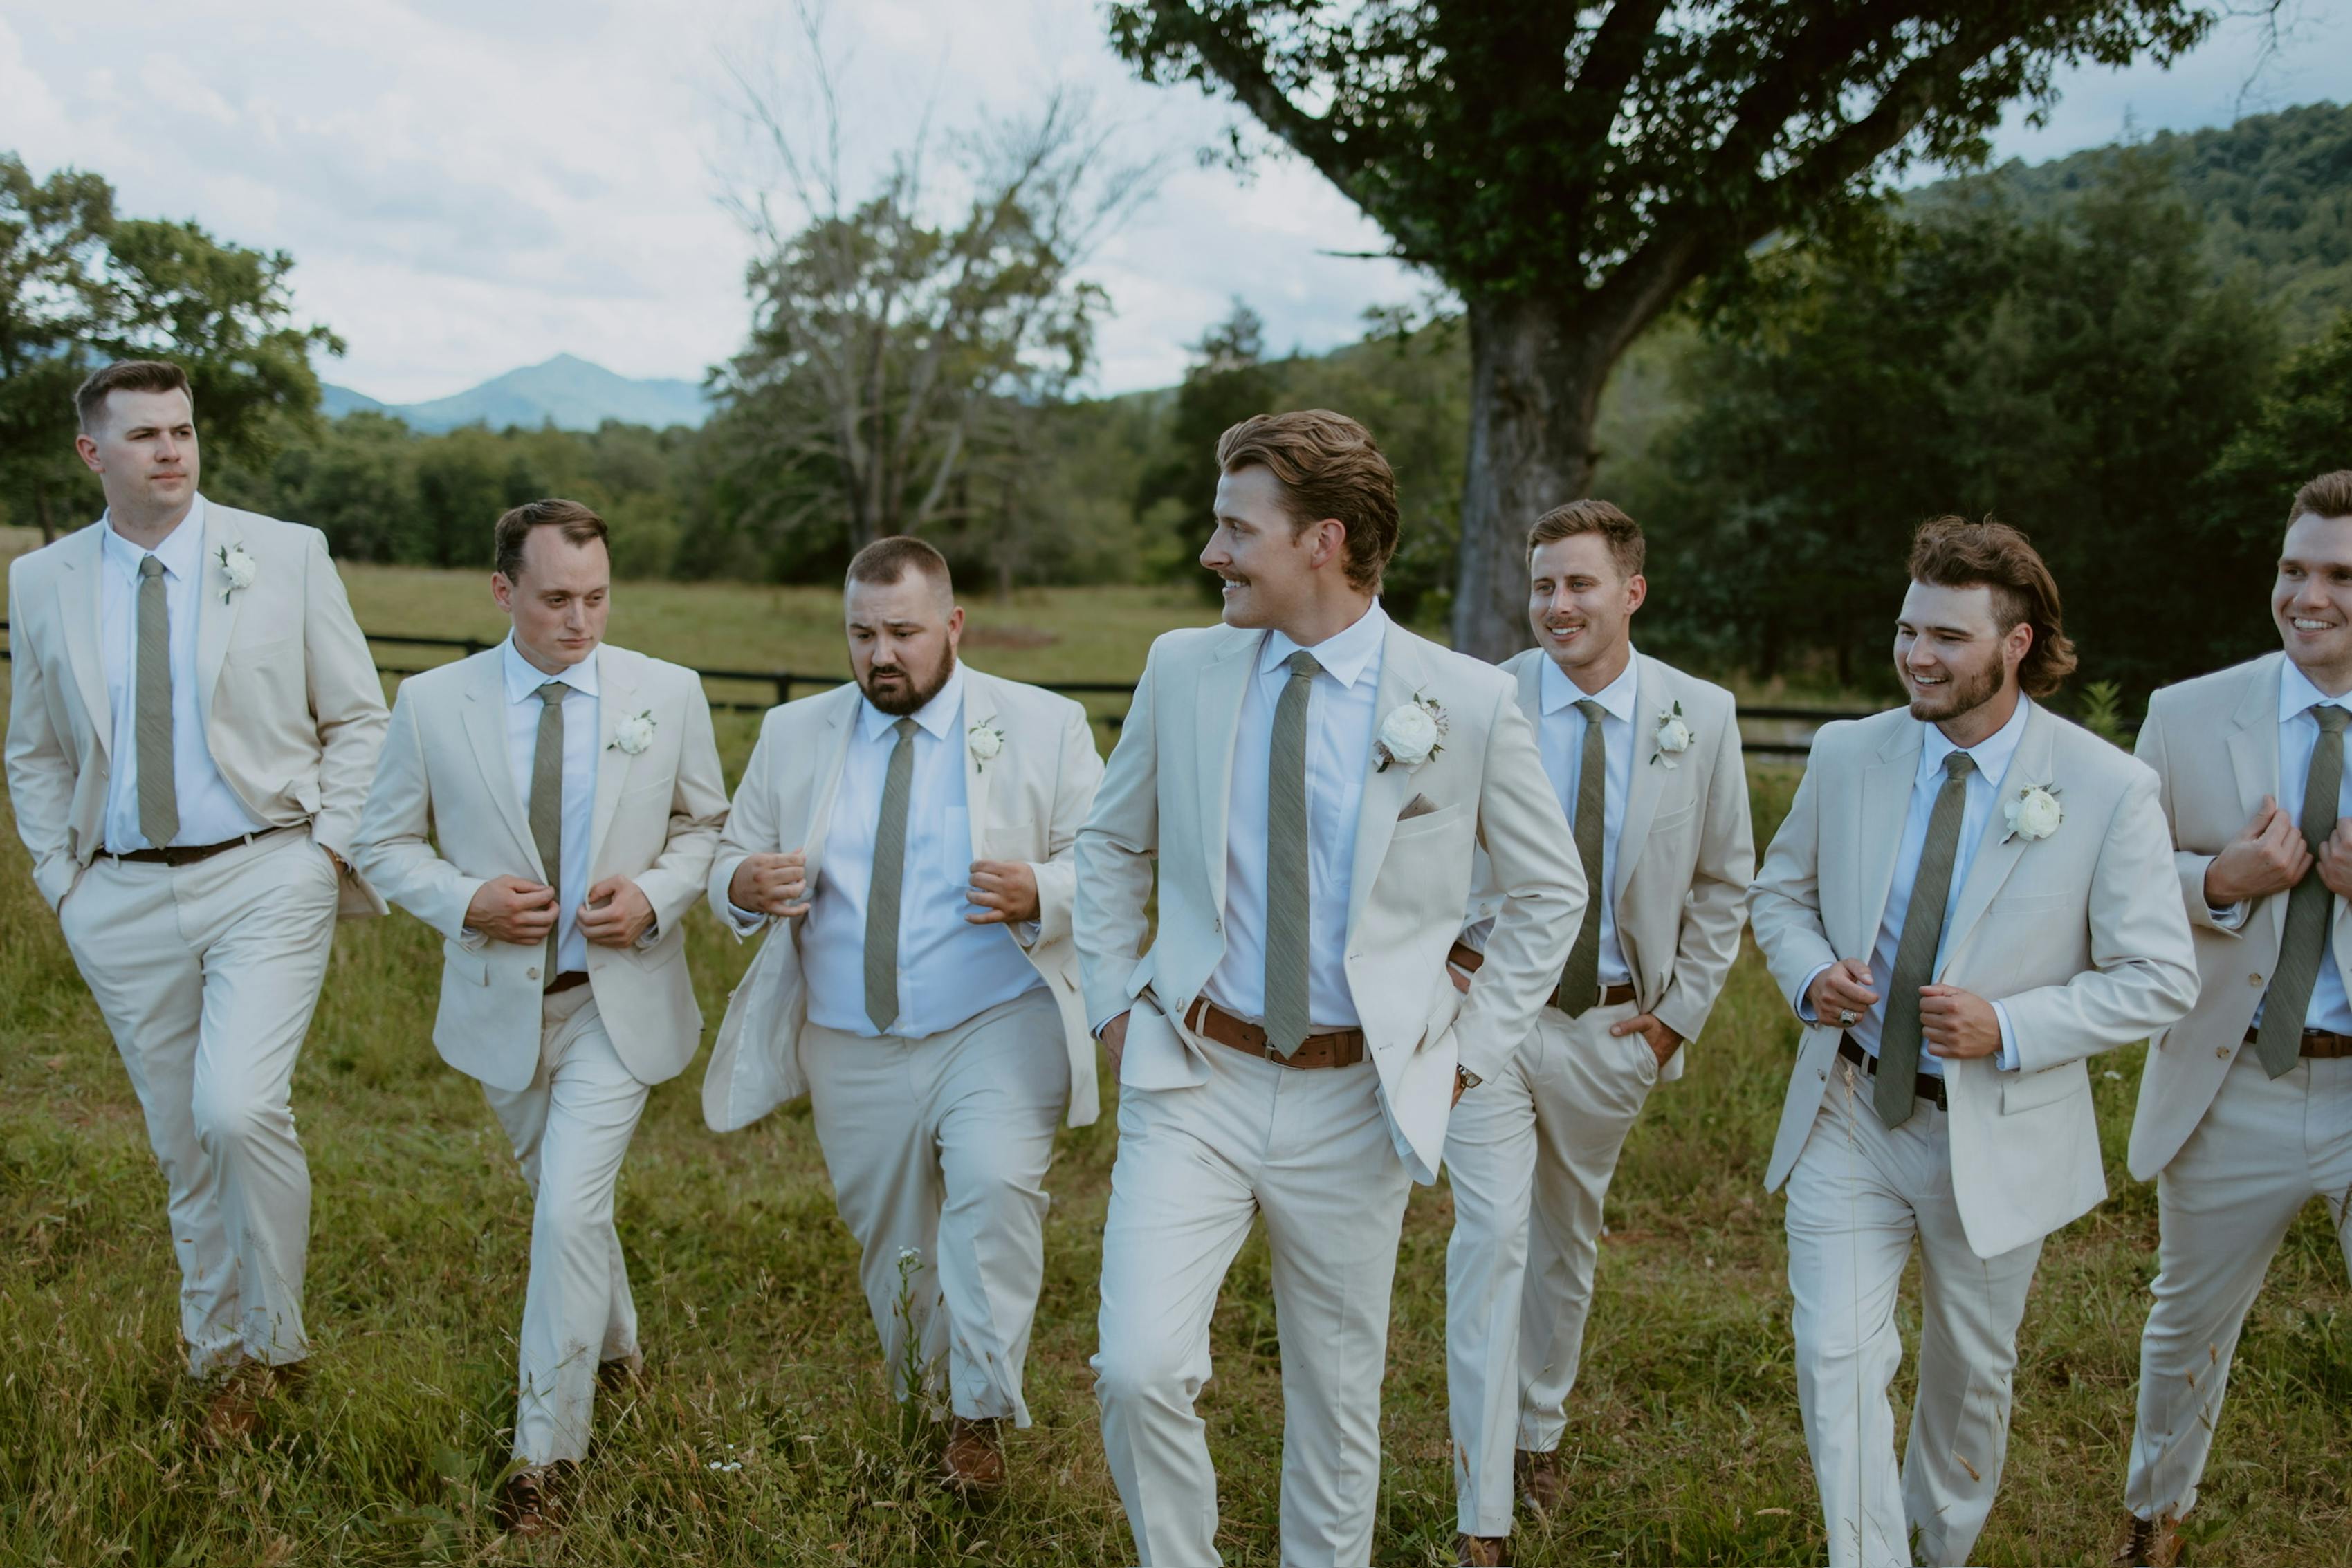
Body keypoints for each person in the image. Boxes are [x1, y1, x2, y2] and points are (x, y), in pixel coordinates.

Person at [1076, 409, 1582, 1567]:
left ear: (1324, 541)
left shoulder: (1463, 700)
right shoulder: (1180, 668)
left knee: (1339, 1406)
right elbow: (1110, 847)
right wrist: (1111, 1005)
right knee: (1137, 1366)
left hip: (1360, 1099)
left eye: (1234, 529)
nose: (1213, 553)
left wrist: (1461, 1057)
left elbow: (1549, 893)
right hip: (1192, 1072)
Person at [1748, 516, 2198, 1567]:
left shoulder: (2105, 787)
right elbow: (1783, 894)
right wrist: (1813, 973)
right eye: (1909, 629)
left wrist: (2014, 1025)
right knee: (1835, 1356)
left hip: (1995, 1130)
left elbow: (2161, 977)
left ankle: (1937, 1550)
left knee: (1968, 1382)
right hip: (1850, 1107)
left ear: (2018, 644)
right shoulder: (1849, 750)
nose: (1916, 655)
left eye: (1947, 637)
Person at [3, 358, 387, 1436]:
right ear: (93, 455)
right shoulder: (42, 581)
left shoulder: (282, 553)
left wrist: (326, 852)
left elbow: (360, 716)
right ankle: (224, 1368)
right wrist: (61, 881)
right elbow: (32, 748)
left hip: (267, 868)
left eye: (182, 429)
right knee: (184, 1142)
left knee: (238, 1108)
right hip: (116, 898)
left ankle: (278, 1346)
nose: (171, 450)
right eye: (144, 435)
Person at [353, 499, 726, 1535]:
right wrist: (462, 899)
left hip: (622, 1001)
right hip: (503, 1014)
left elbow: (706, 825)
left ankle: (541, 1462)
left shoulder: (669, 692)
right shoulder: (433, 703)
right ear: (503, 590)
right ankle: (619, 1356)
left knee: (564, 1213)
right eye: (557, 598)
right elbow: (383, 845)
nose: (580, 620)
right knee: (572, 1210)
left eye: (597, 598)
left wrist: (657, 892)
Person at [700, 535, 1103, 1493]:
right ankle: (927, 1400)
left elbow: (1112, 866)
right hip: (849, 1033)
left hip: (996, 1020)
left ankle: (978, 1419)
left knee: (996, 1197)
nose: (882, 655)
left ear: (953, 625)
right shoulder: (795, 733)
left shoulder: (1044, 725)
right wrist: (743, 884)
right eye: (862, 634)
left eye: (905, 633)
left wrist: (1042, 888)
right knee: (897, 1240)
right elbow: (728, 853)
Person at [1444, 500, 1753, 1567]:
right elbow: (1423, 848)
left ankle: (1538, 1433)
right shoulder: (1481, 698)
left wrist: (1672, 1023)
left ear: (1632, 590)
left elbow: (1724, 882)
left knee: (1564, 1244)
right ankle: (1481, 1505)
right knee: (1488, 1239)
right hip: (1491, 1015)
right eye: (1541, 586)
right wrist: (1446, 963)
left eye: (1579, 584)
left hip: (1613, 1026)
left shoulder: (1700, 715)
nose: (1557, 605)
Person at [2113, 470, 2352, 1568]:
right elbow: (2104, 889)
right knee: (2185, 1327)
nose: (2311, 596)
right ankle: (2153, 1524)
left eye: (2342, 575)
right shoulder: (2188, 712)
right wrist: (2220, 877)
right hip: (2231, 1077)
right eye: (2294, 569)